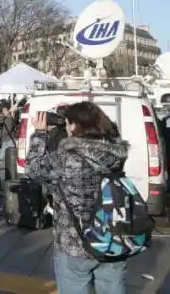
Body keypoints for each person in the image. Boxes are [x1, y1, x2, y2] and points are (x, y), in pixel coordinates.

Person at [26, 102, 129, 293]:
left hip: (76, 244)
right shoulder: (114, 155)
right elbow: (112, 137)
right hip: (113, 238)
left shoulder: (66, 159)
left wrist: (40, 134)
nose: (65, 127)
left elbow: (33, 169)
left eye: (67, 123)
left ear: (74, 126)